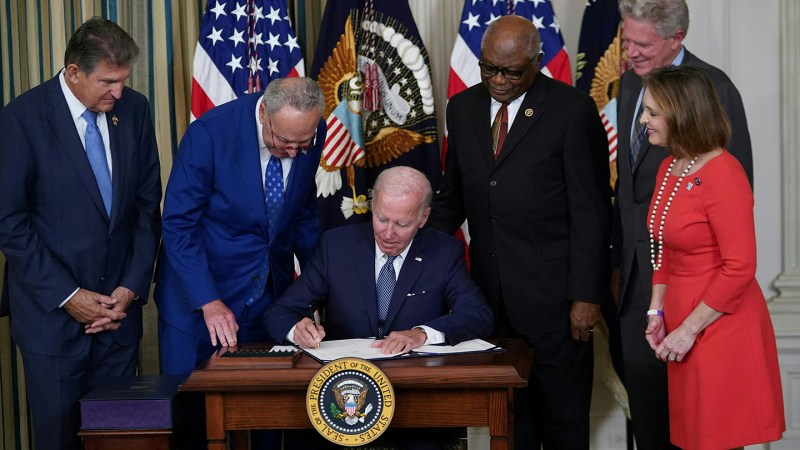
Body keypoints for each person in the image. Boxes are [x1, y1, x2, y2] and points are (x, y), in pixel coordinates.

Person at [427, 15, 611, 449]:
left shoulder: (571, 110)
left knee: (562, 423)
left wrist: (586, 296)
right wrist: (406, 258)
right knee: (509, 423)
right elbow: (453, 197)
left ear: (536, 62)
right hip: (490, 300)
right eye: (489, 67)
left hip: (556, 300)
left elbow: (591, 211)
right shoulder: (464, 107)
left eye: (512, 71)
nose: (499, 80)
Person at [0, 17, 162, 450]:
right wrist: (70, 297)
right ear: (73, 72)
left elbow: (148, 209)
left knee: (120, 439)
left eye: (123, 81)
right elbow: (10, 222)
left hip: (118, 316)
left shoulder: (136, 110)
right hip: (52, 321)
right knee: (59, 440)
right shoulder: (22, 118)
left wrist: (130, 287)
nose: (118, 92)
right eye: (107, 81)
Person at [265, 165, 493, 449]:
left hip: (416, 398)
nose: (388, 233)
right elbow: (279, 312)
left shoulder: (443, 252)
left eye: (402, 224)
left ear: (423, 217)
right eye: (382, 218)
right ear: (372, 207)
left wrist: (421, 334)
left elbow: (478, 315)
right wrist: (295, 329)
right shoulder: (337, 246)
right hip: (341, 392)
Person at [611, 1, 755, 448]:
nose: (629, 52)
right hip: (646, 279)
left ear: (676, 38)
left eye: (642, 43)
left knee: (704, 427)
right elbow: (630, 189)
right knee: (651, 411)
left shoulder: (712, 88)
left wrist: (693, 318)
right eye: (626, 38)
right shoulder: (634, 84)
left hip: (703, 298)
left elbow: (733, 207)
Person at [640, 65, 784, 450]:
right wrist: (657, 312)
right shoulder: (670, 167)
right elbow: (665, 249)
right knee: (690, 440)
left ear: (682, 113)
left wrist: (688, 329)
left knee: (718, 442)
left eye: (653, 112)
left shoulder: (724, 173)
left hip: (720, 325)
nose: (644, 120)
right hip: (680, 321)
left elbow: (740, 267)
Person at [155, 76, 326, 375]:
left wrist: (322, 285)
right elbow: (179, 225)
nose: (293, 152)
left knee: (259, 406)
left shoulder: (311, 130)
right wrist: (208, 300)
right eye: (283, 141)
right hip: (201, 300)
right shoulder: (210, 134)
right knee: (190, 408)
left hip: (267, 299)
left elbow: (303, 213)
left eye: (303, 143)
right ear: (263, 115)